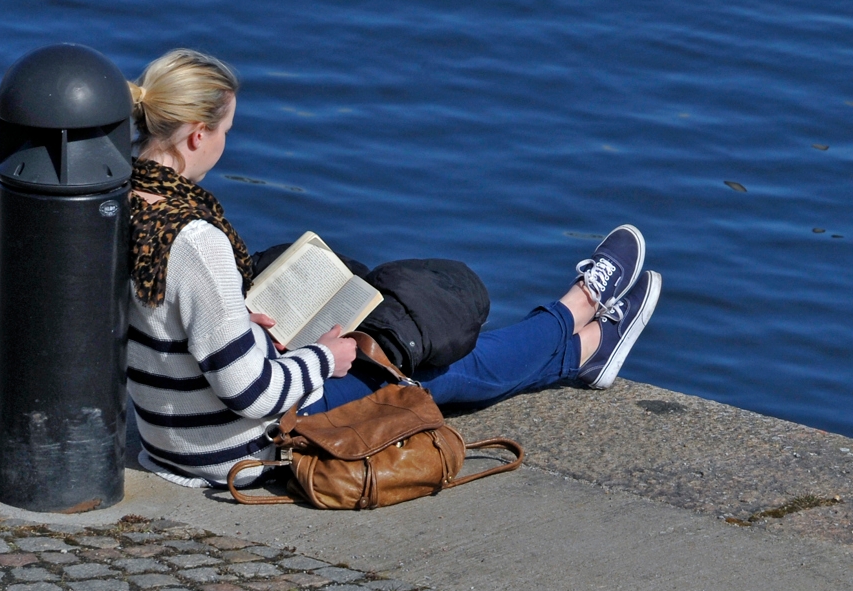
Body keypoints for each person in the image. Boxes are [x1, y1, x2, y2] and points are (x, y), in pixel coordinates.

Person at [125, 48, 661, 488]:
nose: (224, 144)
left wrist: (238, 320)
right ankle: (576, 319)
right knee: (424, 373)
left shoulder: (118, 203)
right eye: (225, 132)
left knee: (403, 358)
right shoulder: (194, 238)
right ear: (197, 135)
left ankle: (583, 346)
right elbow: (250, 392)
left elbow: (166, 328)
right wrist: (325, 359)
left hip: (167, 440)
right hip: (235, 450)